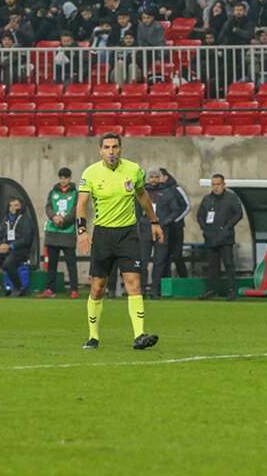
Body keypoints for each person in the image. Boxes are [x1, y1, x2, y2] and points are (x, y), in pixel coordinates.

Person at [75, 133, 163, 351]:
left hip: (128, 234)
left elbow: (142, 196)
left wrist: (154, 221)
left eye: (115, 147)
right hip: (103, 235)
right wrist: (82, 231)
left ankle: (139, 335)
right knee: (97, 288)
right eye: (107, 147)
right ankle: (93, 336)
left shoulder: (133, 170)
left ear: (121, 149)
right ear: (100, 150)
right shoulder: (91, 173)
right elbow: (82, 204)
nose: (111, 151)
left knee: (134, 283)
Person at [196, 174, 244, 301]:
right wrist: (205, 228)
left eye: (218, 184)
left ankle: (232, 290)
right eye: (213, 184)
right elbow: (200, 215)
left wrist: (227, 227)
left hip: (225, 237)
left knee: (228, 263)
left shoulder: (231, 197)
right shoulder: (207, 199)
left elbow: (238, 214)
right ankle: (211, 290)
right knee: (212, 265)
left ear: (223, 185)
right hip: (210, 236)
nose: (215, 187)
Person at [141, 168, 186, 299]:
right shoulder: (142, 191)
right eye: (151, 177)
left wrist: (166, 221)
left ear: (160, 178)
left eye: (156, 177)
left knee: (159, 261)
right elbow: (135, 208)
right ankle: (142, 289)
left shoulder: (167, 192)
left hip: (162, 230)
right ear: (148, 178)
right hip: (145, 230)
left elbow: (176, 209)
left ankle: (155, 290)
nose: (154, 180)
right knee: (142, 261)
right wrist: (141, 221)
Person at [40, 167, 80, 299]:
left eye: (66, 178)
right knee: (52, 263)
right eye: (61, 178)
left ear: (70, 178)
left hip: (68, 232)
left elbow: (76, 209)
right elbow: (48, 207)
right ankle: (50, 289)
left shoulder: (75, 193)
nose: (63, 180)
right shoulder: (53, 192)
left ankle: (74, 289)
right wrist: (54, 218)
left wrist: (64, 220)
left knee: (71, 263)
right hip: (53, 232)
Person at [0, 198, 35, 296]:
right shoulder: (6, 219)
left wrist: (11, 246)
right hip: (4, 250)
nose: (13, 208)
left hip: (20, 250)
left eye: (16, 205)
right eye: (11, 205)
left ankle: (19, 288)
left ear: (21, 207)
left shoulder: (26, 220)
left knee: (8, 263)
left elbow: (27, 239)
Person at [159, 167, 191, 279]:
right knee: (164, 256)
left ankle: (184, 281)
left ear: (165, 177)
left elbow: (187, 206)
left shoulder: (176, 188)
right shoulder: (157, 191)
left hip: (176, 228)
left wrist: (175, 220)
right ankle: (164, 284)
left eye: (159, 176)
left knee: (177, 255)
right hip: (164, 229)